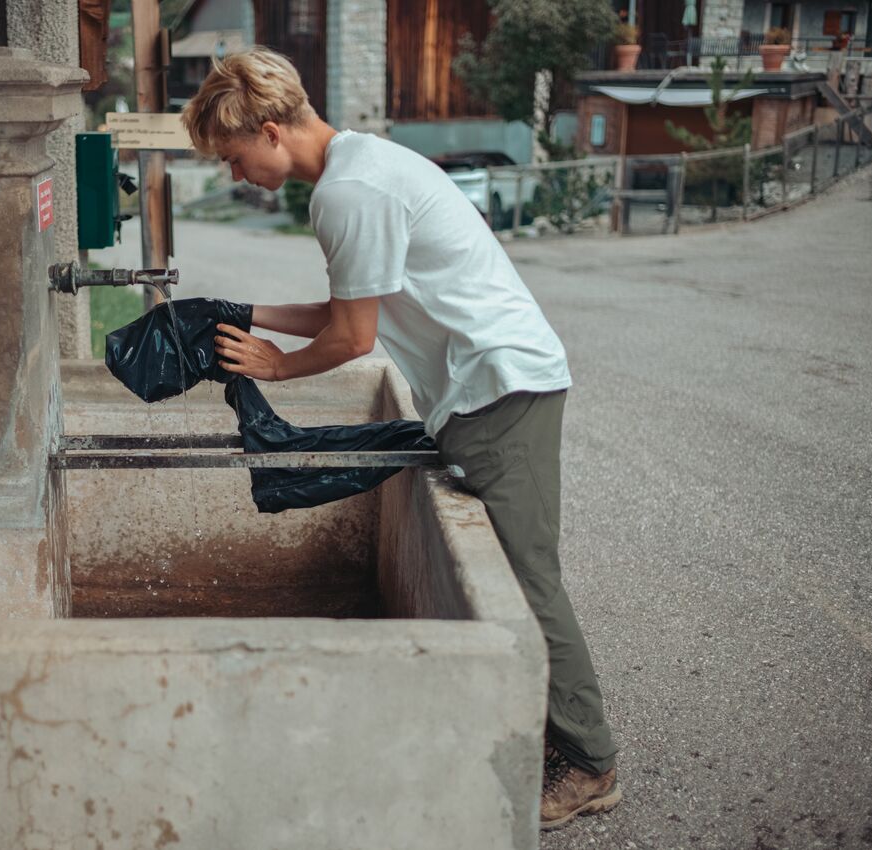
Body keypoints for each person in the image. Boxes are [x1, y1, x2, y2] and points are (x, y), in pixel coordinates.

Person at [181, 47, 621, 830]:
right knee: (525, 572)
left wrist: (278, 373)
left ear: (273, 132)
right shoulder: (361, 169)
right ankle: (564, 741)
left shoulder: (346, 194)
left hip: (500, 390)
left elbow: (353, 338)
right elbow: (348, 305)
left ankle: (590, 763)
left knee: (528, 580)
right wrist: (243, 312)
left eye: (236, 156)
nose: (236, 174)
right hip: (494, 388)